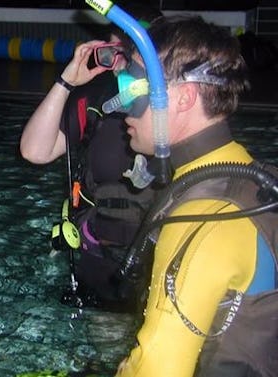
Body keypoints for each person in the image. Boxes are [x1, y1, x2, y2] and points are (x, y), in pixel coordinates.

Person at [111, 15, 278, 377]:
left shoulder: (205, 217)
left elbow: (157, 368)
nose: (122, 103)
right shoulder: (260, 179)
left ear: (184, 97)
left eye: (133, 88)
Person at [19, 3, 161, 312]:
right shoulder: (98, 99)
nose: (120, 64)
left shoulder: (174, 108)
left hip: (161, 257)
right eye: (114, 52)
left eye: (131, 52)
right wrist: (68, 80)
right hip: (101, 257)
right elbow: (34, 151)